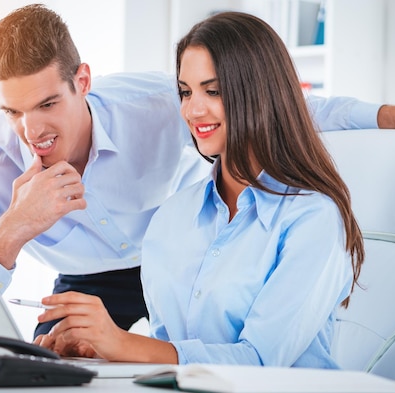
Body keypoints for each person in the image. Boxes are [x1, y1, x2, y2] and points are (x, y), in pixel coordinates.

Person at [0, 4, 395, 339]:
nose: (31, 132)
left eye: (48, 104)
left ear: (82, 80)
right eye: (13, 111)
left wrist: (388, 115)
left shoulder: (160, 103)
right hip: (82, 285)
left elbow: (277, 105)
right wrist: (9, 235)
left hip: (183, 272)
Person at [32, 11, 364, 367]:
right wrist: (96, 348)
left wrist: (122, 343)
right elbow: (170, 354)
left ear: (261, 93)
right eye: (185, 92)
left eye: (214, 91)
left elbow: (260, 362)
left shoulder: (313, 219)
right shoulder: (172, 217)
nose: (193, 109)